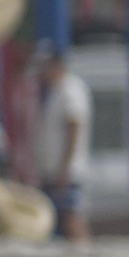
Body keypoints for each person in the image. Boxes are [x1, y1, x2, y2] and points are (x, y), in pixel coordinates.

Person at [25, 42, 93, 241]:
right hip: (53, 169)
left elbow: (74, 125)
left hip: (65, 170)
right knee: (59, 215)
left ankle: (83, 251)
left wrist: (65, 167)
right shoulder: (55, 90)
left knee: (70, 214)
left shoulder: (70, 89)